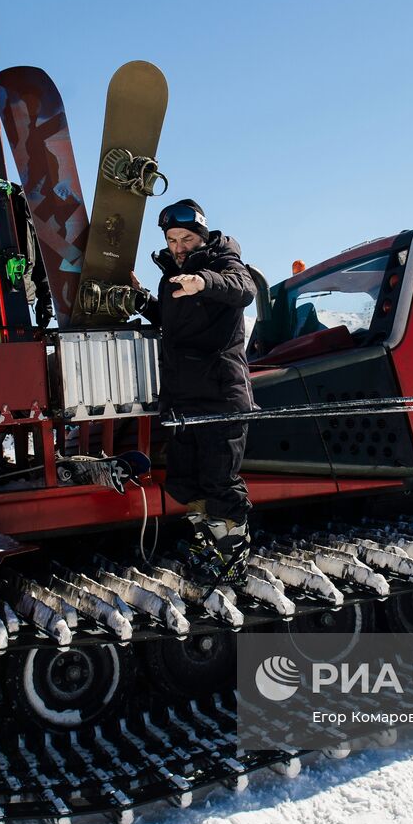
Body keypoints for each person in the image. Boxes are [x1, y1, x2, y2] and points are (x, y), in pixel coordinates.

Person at [133, 199, 257, 584]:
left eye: (186, 238)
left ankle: (233, 560)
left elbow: (243, 289)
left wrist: (202, 281)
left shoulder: (224, 261)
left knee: (221, 483)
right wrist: (140, 298)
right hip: (184, 398)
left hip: (219, 395)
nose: (179, 246)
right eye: (172, 239)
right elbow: (172, 321)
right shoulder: (173, 275)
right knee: (187, 482)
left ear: (201, 235)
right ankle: (208, 545)